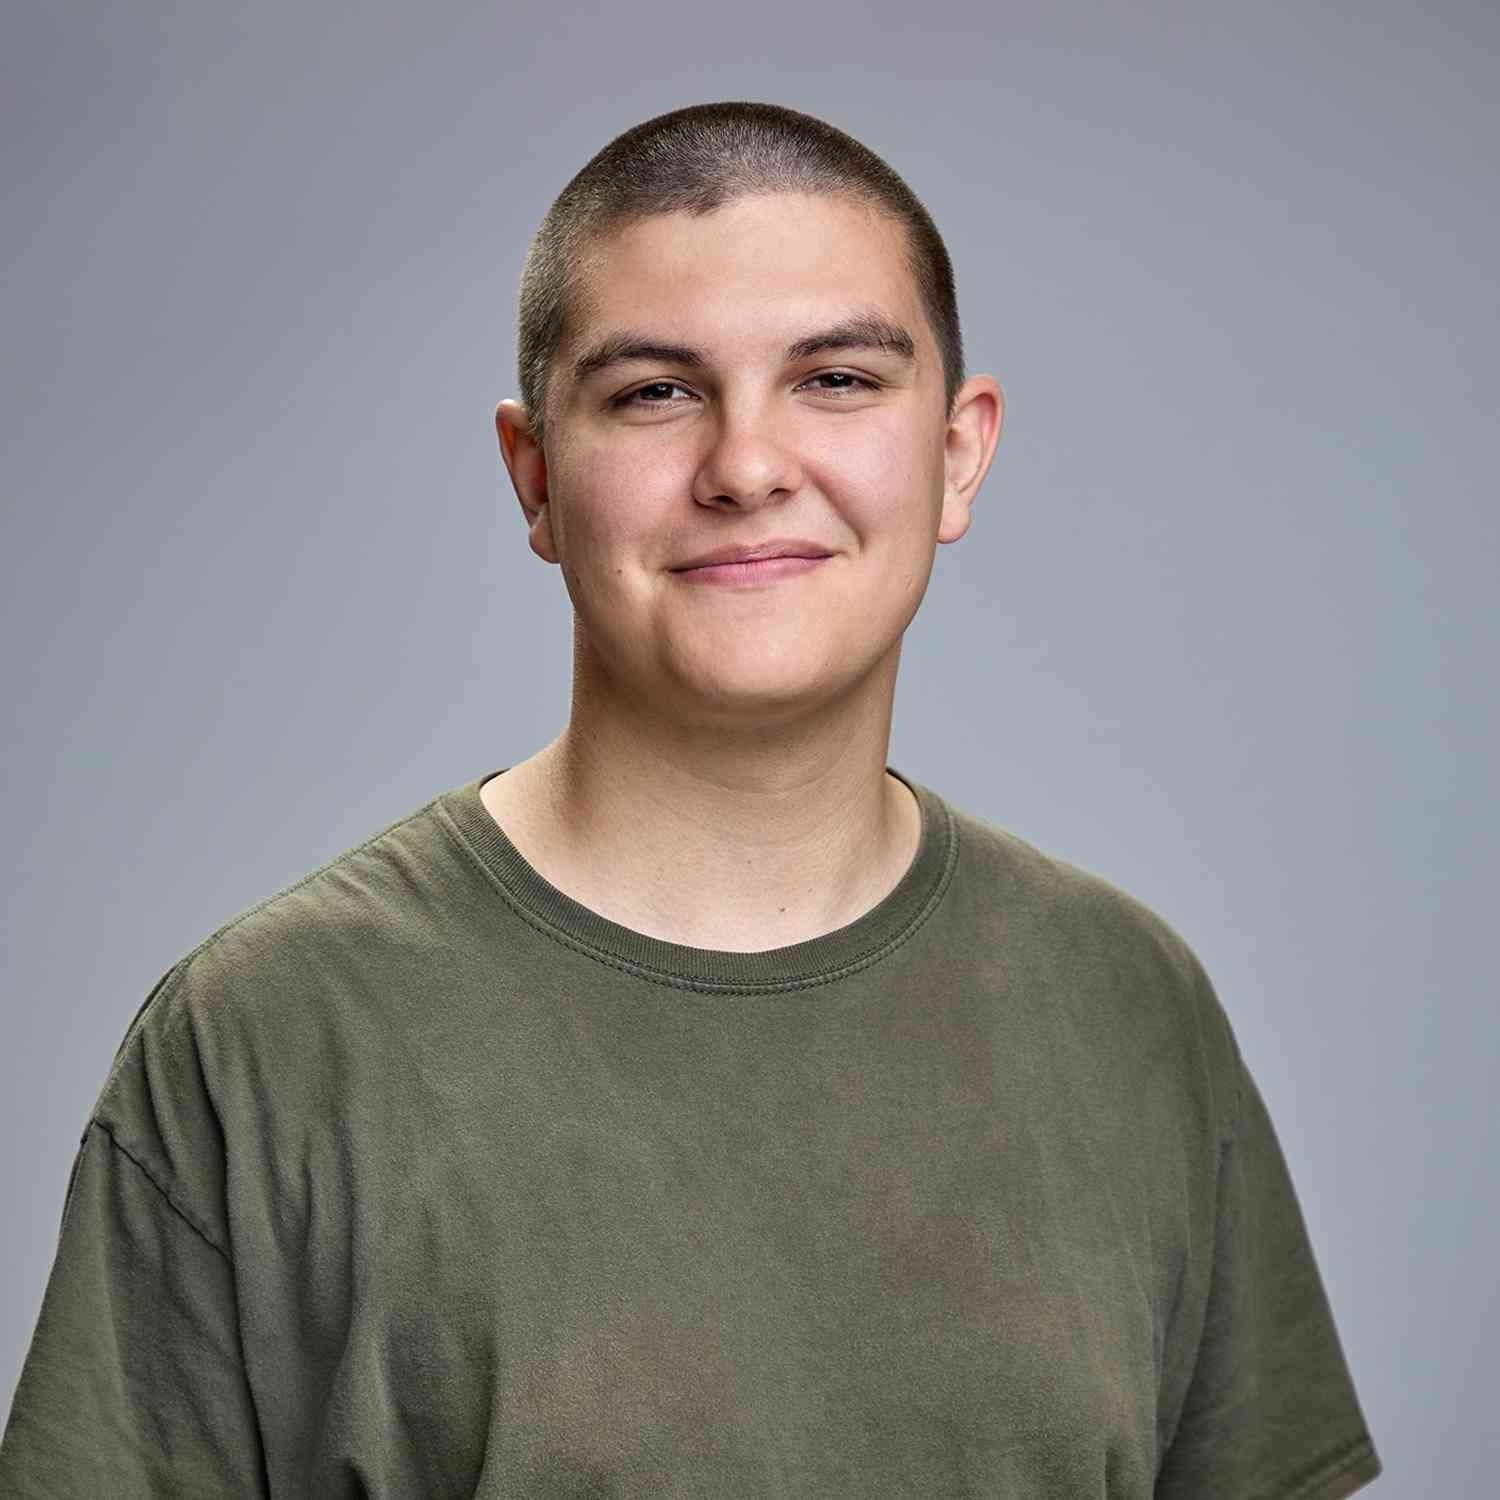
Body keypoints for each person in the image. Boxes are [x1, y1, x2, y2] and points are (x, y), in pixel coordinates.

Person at [0, 102, 1381, 1499]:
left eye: (836, 378)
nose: (746, 466)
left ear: (958, 452)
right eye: (655, 392)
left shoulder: (1129, 1005)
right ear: (535, 476)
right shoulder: (264, 1045)